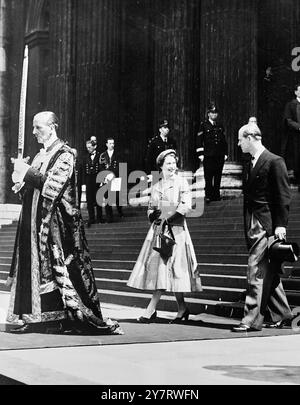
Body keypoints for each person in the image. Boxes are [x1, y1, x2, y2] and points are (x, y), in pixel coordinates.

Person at [5, 111, 123, 335]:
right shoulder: (40, 155)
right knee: (36, 271)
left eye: (38, 127)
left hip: (56, 226)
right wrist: (20, 182)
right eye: (33, 127)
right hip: (33, 223)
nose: (33, 132)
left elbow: (52, 187)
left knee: (56, 272)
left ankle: (58, 318)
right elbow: (34, 189)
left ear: (52, 127)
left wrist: (26, 172)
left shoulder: (65, 154)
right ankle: (36, 317)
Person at [127, 149, 202, 323]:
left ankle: (151, 309)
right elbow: (151, 209)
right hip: (160, 231)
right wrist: (154, 215)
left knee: (174, 269)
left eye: (174, 163)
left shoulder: (182, 182)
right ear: (161, 166)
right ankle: (181, 308)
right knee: (163, 269)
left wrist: (169, 215)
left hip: (176, 231)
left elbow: (187, 205)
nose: (172, 166)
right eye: (168, 163)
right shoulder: (157, 186)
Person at [232, 123, 293, 332]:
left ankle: (251, 320)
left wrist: (280, 226)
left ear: (251, 138)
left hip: (265, 225)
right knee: (270, 270)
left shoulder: (275, 161)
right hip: (253, 223)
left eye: (241, 139)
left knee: (255, 268)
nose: (238, 143)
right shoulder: (250, 163)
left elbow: (283, 197)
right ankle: (284, 315)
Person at [196, 102, 228, 202]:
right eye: (212, 113)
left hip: (219, 155)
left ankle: (216, 195)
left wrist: (225, 153)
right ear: (208, 114)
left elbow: (223, 140)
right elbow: (199, 140)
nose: (214, 115)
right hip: (208, 155)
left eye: (216, 113)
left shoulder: (220, 125)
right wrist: (200, 154)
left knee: (218, 175)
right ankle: (209, 195)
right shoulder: (204, 125)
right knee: (209, 176)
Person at [99, 137, 124, 222]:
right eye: (110, 143)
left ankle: (120, 211)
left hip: (115, 178)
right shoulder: (103, 155)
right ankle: (109, 217)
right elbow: (101, 167)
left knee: (117, 196)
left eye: (113, 143)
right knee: (107, 197)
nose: (112, 145)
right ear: (106, 144)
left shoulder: (118, 154)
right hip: (106, 179)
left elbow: (120, 166)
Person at [83, 138, 104, 226]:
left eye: (90, 147)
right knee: (89, 200)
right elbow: (83, 170)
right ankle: (91, 218)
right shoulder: (85, 157)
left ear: (94, 147)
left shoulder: (100, 156)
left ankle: (99, 217)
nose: (88, 149)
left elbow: (102, 168)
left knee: (98, 199)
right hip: (89, 180)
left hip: (97, 179)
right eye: (87, 147)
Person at [282, 83, 300, 190]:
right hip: (296, 136)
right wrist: (298, 127)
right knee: (297, 157)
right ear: (296, 92)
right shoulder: (291, 105)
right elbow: (288, 120)